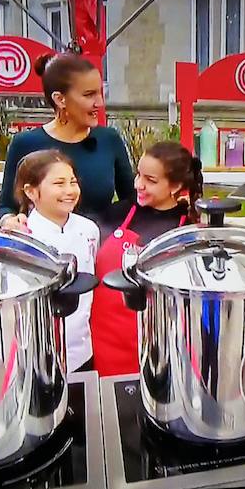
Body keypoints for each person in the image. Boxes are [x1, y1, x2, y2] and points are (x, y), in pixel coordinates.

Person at [91, 142, 204, 376]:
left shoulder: (188, 231)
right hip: (103, 343)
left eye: (150, 180)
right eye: (138, 175)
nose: (138, 185)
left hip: (159, 346)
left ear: (176, 186)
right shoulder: (117, 214)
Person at [0, 53, 135, 231]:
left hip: (99, 245)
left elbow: (132, 200)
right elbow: (6, 206)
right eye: (89, 95)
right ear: (60, 99)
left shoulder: (109, 139)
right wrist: (9, 220)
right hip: (45, 250)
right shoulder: (25, 143)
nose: (99, 103)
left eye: (100, 93)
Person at [14, 149, 99, 373]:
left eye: (73, 182)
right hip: (36, 356)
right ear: (31, 191)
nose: (70, 191)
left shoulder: (89, 229)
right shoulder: (23, 238)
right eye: (59, 183)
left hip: (82, 351)